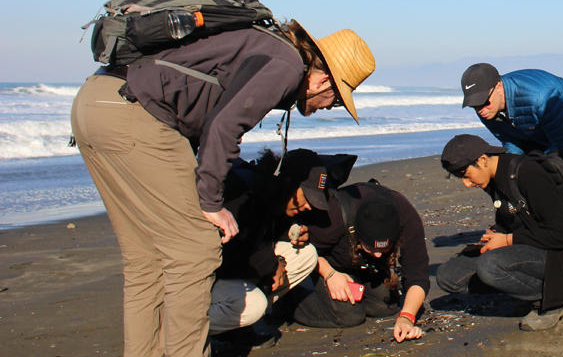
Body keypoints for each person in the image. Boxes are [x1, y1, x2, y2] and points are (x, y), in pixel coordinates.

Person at [70, 19, 375, 357]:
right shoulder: (287, 64)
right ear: (323, 79)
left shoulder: (260, 43)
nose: (324, 108)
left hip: (94, 103)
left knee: (145, 258)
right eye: (333, 101)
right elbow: (224, 127)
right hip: (136, 114)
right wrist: (211, 202)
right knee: (195, 252)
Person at [436, 134, 563, 332]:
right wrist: (496, 232)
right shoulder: (494, 179)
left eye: (465, 175)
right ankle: (522, 288)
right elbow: (511, 217)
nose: (466, 184)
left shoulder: (528, 173)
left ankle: (555, 298)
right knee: (449, 275)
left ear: (482, 160)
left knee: (489, 266)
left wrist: (507, 239)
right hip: (529, 246)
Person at [206, 149, 331, 342]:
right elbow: (226, 255)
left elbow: (263, 232)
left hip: (233, 271)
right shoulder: (240, 193)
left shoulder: (272, 194)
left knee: (306, 254)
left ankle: (232, 326)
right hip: (205, 274)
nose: (309, 206)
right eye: (307, 197)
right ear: (288, 182)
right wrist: (271, 266)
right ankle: (178, 329)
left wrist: (291, 231)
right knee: (254, 305)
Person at [291, 178, 430, 344]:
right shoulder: (332, 219)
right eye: (371, 248)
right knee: (348, 315)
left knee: (385, 306)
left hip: (360, 265)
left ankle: (354, 283)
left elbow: (418, 275)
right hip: (324, 263)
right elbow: (303, 250)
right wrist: (330, 274)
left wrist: (406, 317)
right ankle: (289, 303)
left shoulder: (406, 217)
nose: (378, 255)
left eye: (384, 249)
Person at [461, 62, 563, 158]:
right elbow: (511, 141)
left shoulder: (539, 97)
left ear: (499, 86)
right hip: (542, 132)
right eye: (474, 105)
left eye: (483, 102)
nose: (480, 110)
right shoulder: (488, 108)